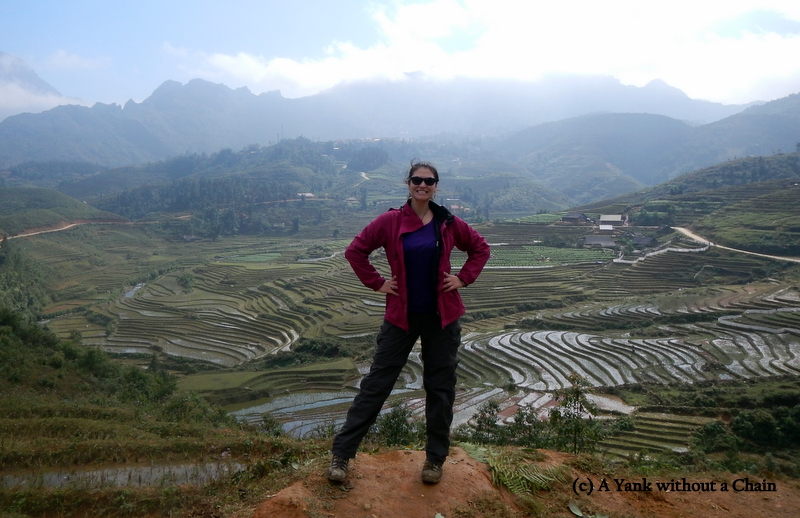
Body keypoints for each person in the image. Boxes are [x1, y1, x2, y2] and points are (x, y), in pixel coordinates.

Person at [327, 160, 490, 484]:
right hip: (401, 316)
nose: (422, 185)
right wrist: (378, 283)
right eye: (417, 180)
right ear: (408, 184)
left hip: (442, 318)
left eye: (429, 181)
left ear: (436, 186)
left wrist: (462, 278)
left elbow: (480, 249)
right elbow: (355, 251)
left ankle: (434, 460)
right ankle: (342, 455)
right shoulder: (390, 221)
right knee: (376, 385)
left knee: (440, 388)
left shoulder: (447, 222)